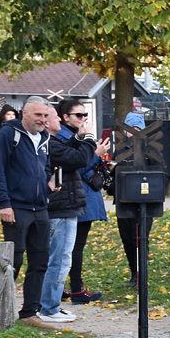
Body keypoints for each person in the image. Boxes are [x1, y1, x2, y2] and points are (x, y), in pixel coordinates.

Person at [0, 95, 54, 323]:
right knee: (12, 261)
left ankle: (29, 313)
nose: (42, 119)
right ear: (24, 113)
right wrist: (4, 203)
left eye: (45, 115)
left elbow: (45, 167)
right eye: (38, 115)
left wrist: (48, 183)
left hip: (41, 207)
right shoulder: (9, 134)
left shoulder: (45, 137)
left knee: (40, 262)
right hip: (16, 207)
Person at [38, 102, 97, 323]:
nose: (58, 121)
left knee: (58, 259)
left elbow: (68, 153)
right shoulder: (48, 143)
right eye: (55, 117)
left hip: (63, 206)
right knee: (60, 260)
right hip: (61, 208)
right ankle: (49, 308)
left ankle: (48, 305)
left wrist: (79, 139)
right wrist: (89, 138)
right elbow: (78, 159)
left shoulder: (50, 142)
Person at [59, 100, 111, 305]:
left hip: (83, 194)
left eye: (85, 115)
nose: (83, 119)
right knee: (73, 246)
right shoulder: (64, 137)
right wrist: (96, 154)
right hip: (77, 196)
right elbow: (76, 165)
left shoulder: (72, 135)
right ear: (66, 117)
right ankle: (76, 290)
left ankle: (63, 287)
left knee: (71, 245)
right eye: (78, 115)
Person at [116, 112, 152, 288]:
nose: (133, 133)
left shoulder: (151, 150)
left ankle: (142, 275)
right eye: (130, 129)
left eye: (137, 128)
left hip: (144, 203)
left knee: (140, 238)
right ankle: (133, 273)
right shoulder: (120, 150)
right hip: (124, 203)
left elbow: (162, 174)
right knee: (127, 239)